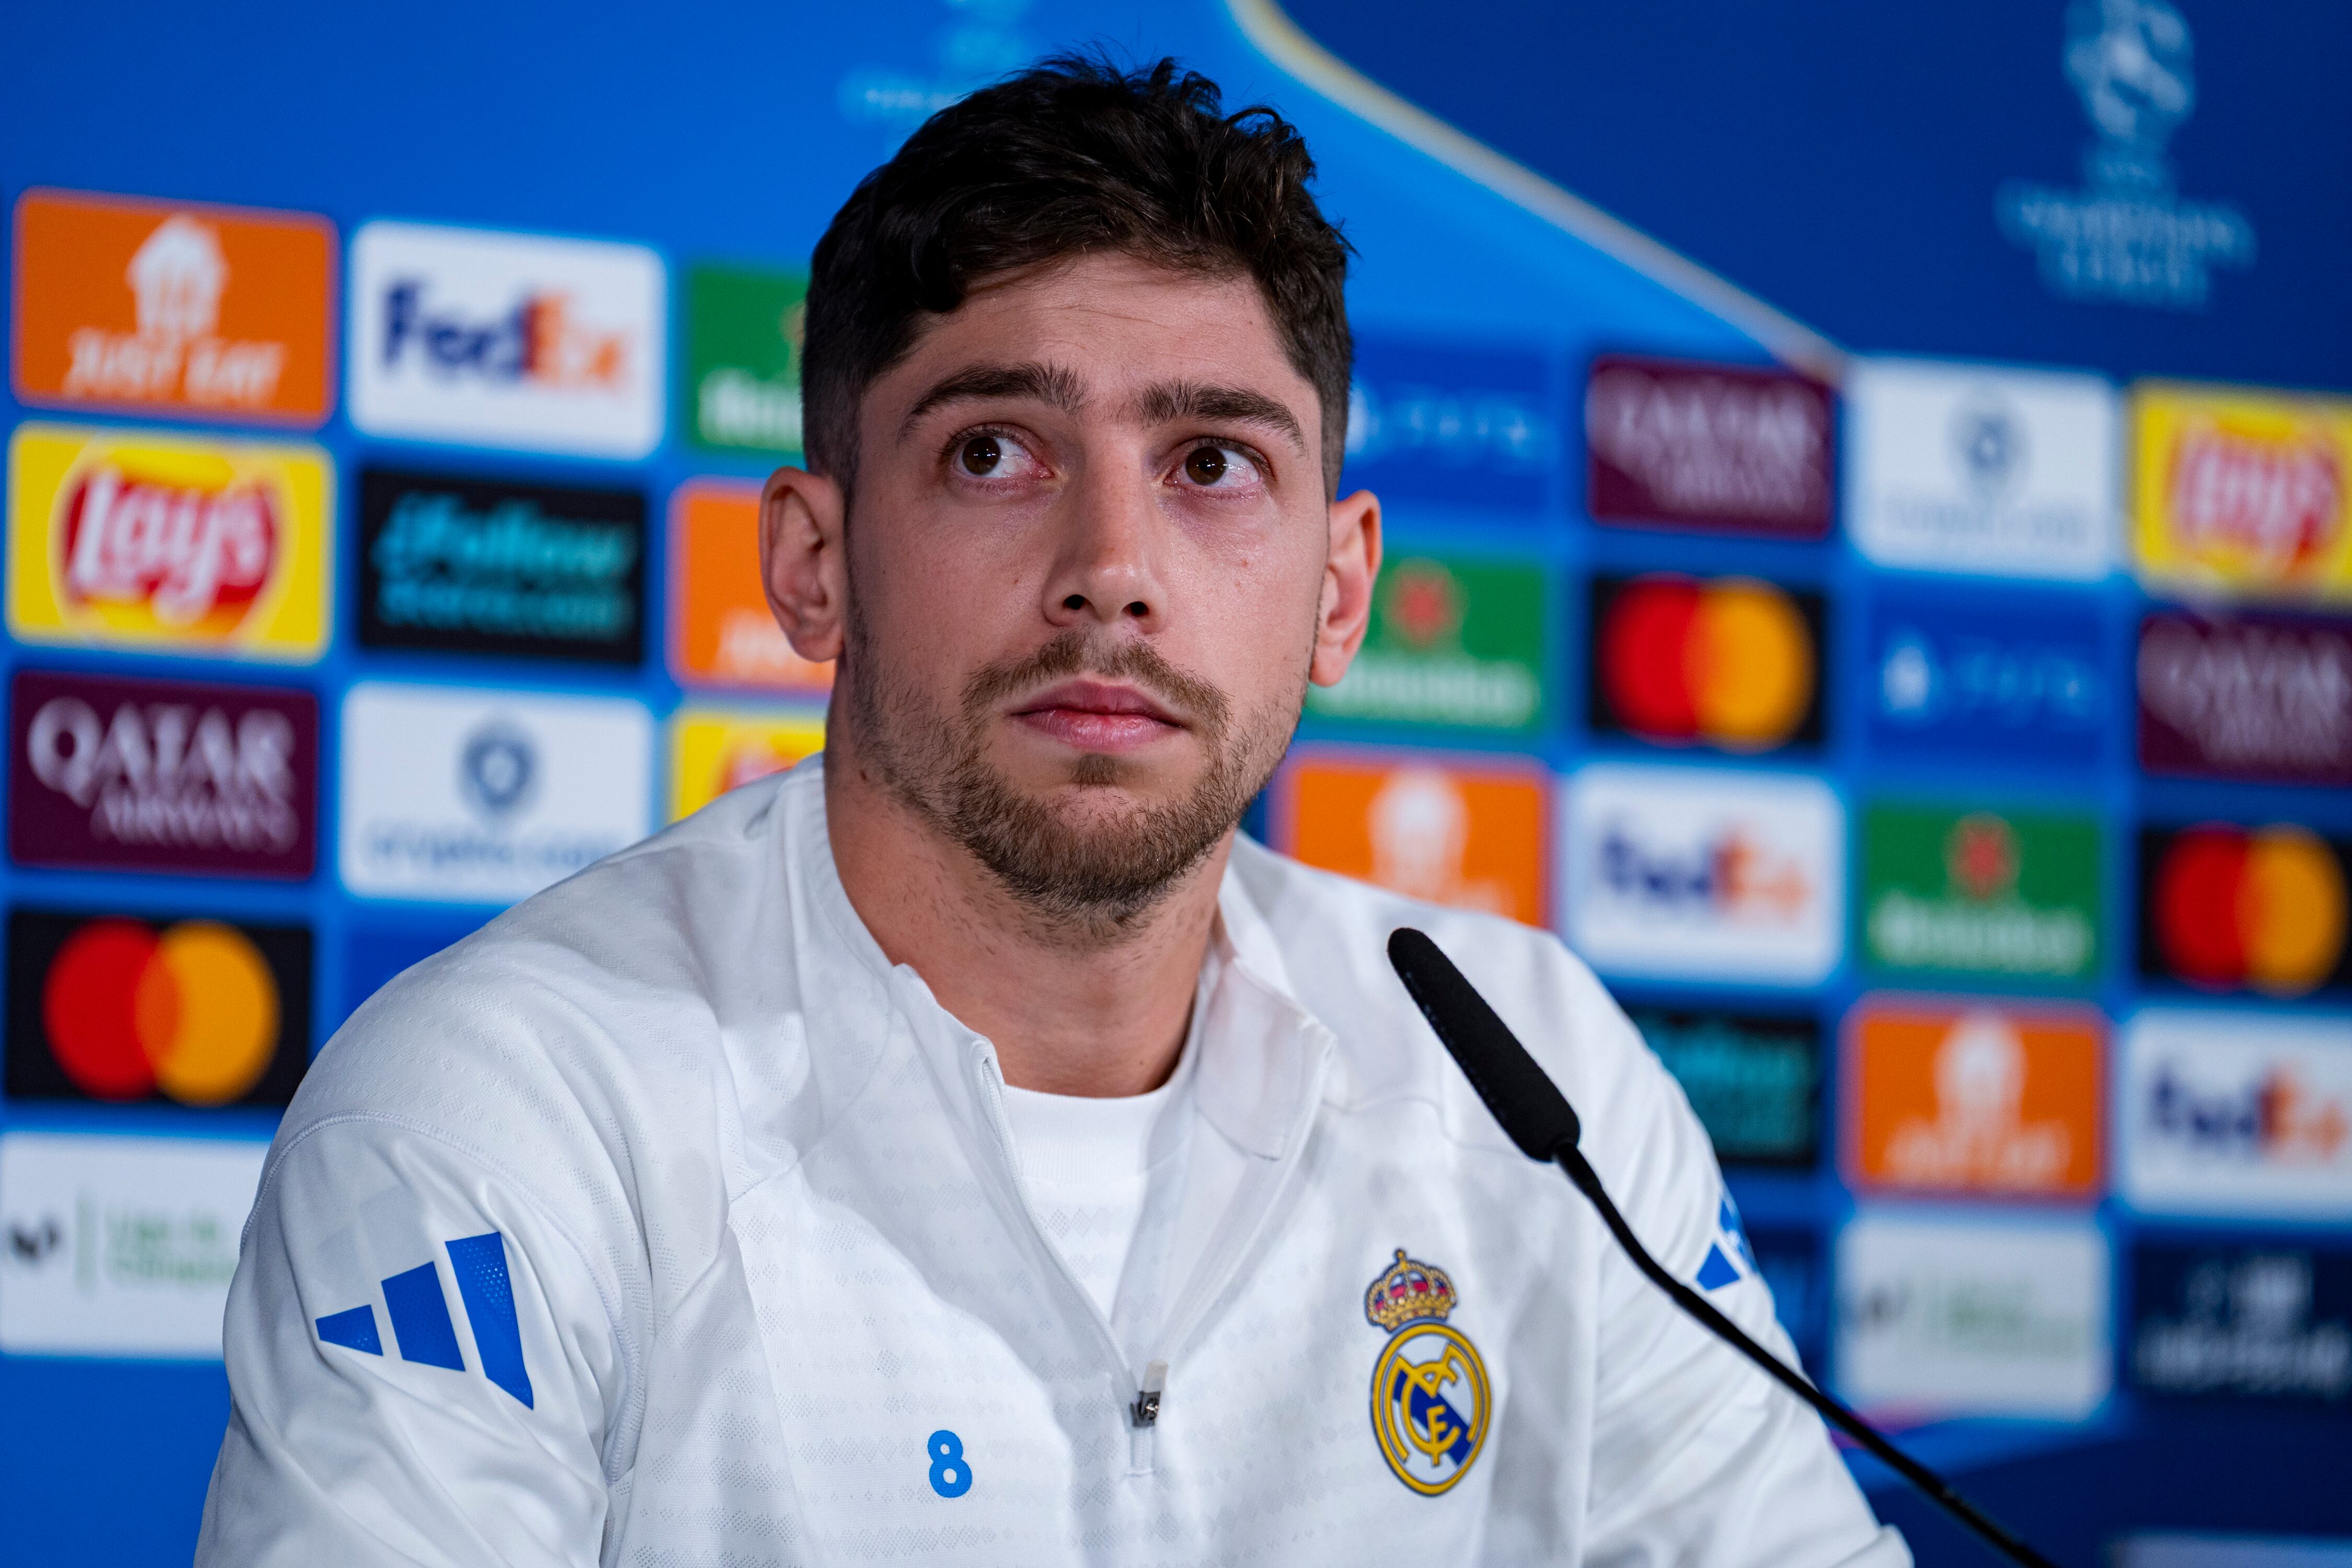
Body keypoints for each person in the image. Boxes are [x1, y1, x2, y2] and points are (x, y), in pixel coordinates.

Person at [198, 55, 1906, 1566]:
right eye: (993, 454)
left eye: (1212, 463)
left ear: (1336, 588)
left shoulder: (1531, 1077)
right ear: (815, 561)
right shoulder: (505, 1112)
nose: (1110, 575)